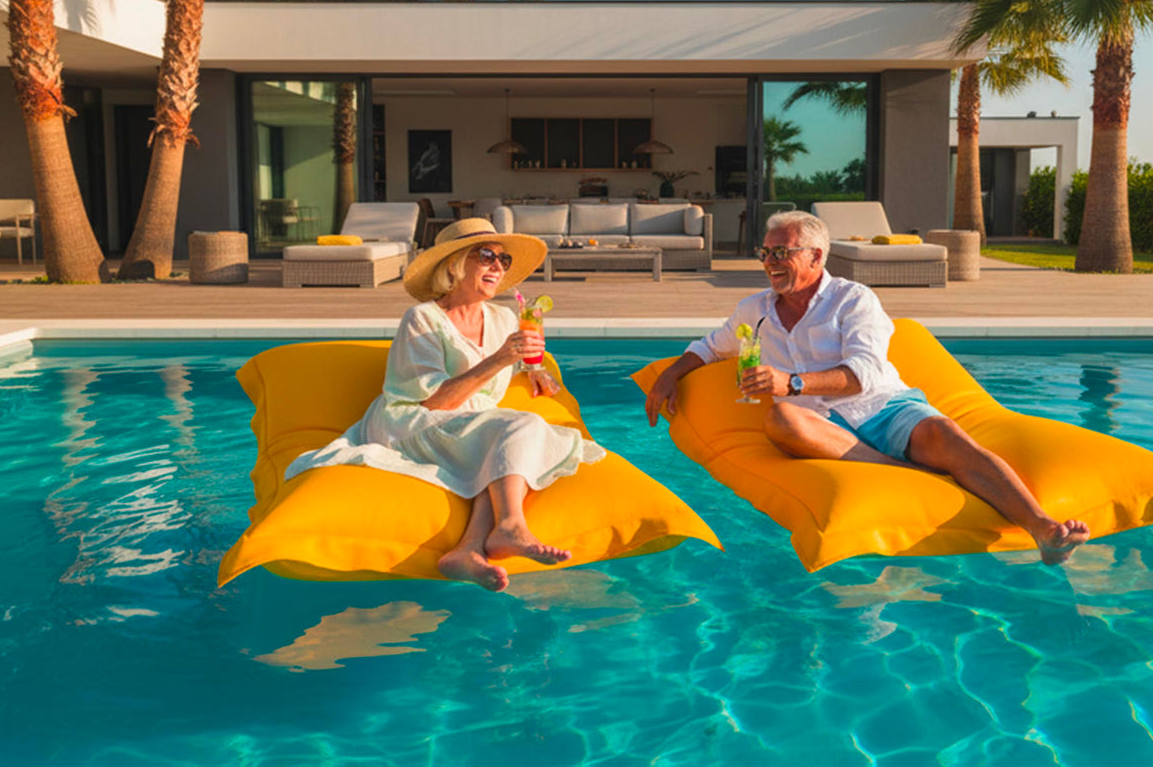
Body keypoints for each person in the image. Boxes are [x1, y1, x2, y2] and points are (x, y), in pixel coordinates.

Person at [644, 210, 1089, 564]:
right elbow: (708, 348)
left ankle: (1044, 528)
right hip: (820, 423)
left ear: (816, 257)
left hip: (880, 407)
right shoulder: (753, 310)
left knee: (947, 435)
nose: (770, 262)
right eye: (765, 252)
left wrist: (791, 382)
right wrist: (669, 375)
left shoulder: (852, 299)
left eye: (782, 252)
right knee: (780, 420)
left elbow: (865, 372)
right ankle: (909, 473)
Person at [284, 217, 605, 591]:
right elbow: (434, 401)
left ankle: (467, 549)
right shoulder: (422, 318)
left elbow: (512, 357)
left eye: (503, 259)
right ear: (454, 264)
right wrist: (499, 360)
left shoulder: (504, 317)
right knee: (518, 427)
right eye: (486, 256)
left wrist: (533, 368)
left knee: (515, 433)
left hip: (469, 421)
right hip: (411, 420)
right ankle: (510, 525)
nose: (498, 266)